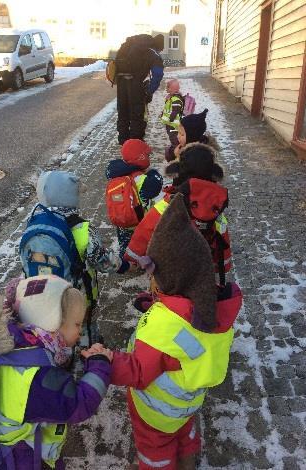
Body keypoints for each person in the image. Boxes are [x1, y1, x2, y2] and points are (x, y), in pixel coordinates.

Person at [104, 195, 243, 469]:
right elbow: (180, 338)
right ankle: (189, 459)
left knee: (156, 450)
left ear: (169, 279)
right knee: (185, 432)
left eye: (154, 271)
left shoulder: (162, 327)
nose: (151, 278)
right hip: (186, 404)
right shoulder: (208, 309)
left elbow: (138, 372)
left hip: (155, 413)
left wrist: (107, 360)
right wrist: (158, 303)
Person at [0, 274, 113, 469]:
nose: (80, 332)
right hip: (23, 457)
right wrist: (99, 364)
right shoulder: (36, 377)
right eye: (77, 324)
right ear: (52, 323)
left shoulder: (20, 343)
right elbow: (78, 404)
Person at [29, 170, 130, 347]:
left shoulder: (34, 225)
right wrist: (123, 265)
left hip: (45, 297)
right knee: (84, 328)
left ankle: (60, 356)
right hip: (78, 299)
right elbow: (103, 261)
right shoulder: (82, 230)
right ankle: (88, 355)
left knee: (55, 330)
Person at [124, 143, 231, 282]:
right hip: (201, 268)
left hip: (168, 268)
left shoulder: (168, 204)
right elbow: (222, 239)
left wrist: (132, 258)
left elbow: (145, 231)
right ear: (213, 175)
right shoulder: (215, 209)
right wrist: (222, 266)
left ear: (178, 172)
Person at [105, 139, 163, 257]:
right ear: (140, 157)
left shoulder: (118, 175)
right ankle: (137, 261)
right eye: (147, 155)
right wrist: (153, 173)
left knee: (125, 242)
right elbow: (157, 184)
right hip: (138, 221)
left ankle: (124, 256)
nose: (149, 157)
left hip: (122, 219)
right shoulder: (142, 179)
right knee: (139, 243)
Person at [116, 34, 164, 145]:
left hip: (121, 81)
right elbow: (157, 73)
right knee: (137, 113)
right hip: (136, 84)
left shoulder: (131, 45)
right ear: (159, 46)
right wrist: (149, 90)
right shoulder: (152, 51)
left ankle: (123, 139)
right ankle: (135, 143)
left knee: (123, 111)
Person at [161, 79, 184, 162]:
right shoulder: (172, 97)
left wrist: (170, 118)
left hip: (174, 124)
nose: (166, 89)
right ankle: (177, 154)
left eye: (168, 87)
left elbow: (176, 110)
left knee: (175, 141)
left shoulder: (176, 98)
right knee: (173, 139)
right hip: (170, 124)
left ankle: (178, 157)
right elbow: (169, 109)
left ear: (174, 88)